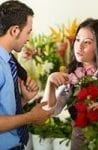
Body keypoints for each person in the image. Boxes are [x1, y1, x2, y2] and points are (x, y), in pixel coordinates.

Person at [42, 18, 98, 150]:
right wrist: (50, 84)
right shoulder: (71, 76)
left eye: (87, 42)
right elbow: (50, 111)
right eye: (77, 40)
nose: (79, 46)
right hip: (77, 144)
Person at [0, 1, 52, 149]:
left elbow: (3, 110)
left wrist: (23, 100)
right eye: (28, 32)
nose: (28, 38)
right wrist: (30, 117)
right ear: (15, 30)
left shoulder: (9, 61)